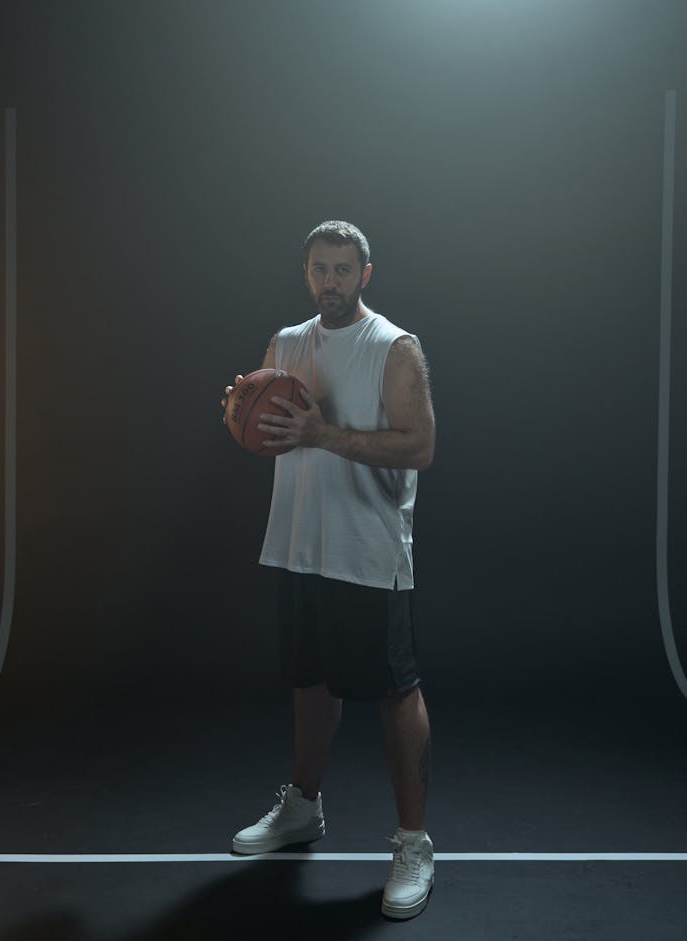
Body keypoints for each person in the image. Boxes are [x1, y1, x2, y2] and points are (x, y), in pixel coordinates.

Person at [222, 220, 436, 920]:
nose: (332, 281)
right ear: (306, 272)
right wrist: (237, 412)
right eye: (321, 269)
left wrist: (323, 434)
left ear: (366, 273)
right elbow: (266, 428)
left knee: (394, 694)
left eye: (344, 269)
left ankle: (413, 842)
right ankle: (303, 809)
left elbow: (420, 446)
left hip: (368, 553)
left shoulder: (394, 348)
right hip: (297, 543)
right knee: (310, 681)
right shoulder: (285, 343)